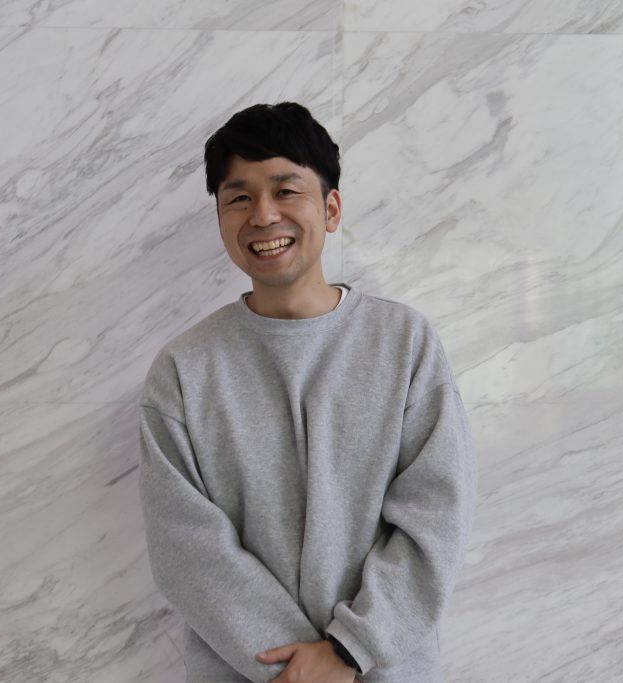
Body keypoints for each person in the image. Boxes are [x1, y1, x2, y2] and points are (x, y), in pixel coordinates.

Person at [137, 102, 478, 683]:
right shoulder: (183, 370)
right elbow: (186, 550)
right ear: (220, 219)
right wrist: (297, 667)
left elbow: (437, 517)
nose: (263, 215)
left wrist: (348, 649)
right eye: (239, 197)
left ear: (331, 208)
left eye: (286, 190)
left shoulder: (404, 343)